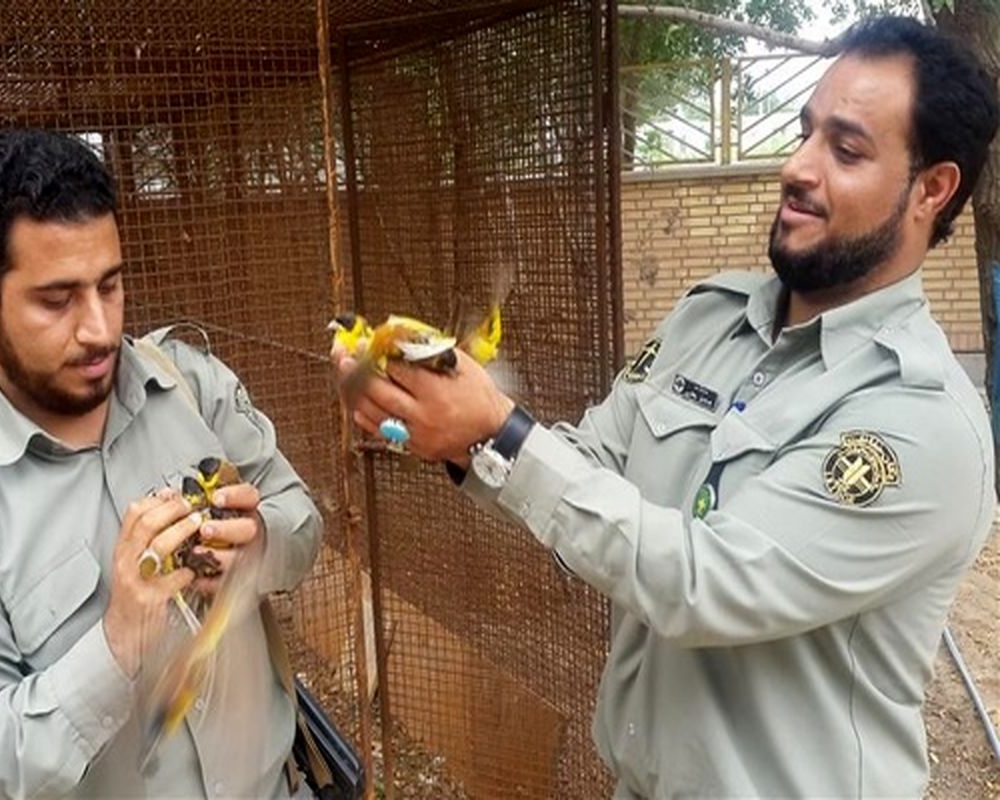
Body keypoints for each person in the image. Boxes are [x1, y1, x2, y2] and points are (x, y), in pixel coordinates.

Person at [336, 16, 999, 797]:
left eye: (846, 150)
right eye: (805, 132)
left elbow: (706, 583)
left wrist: (500, 432)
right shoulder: (707, 318)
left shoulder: (919, 420)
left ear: (932, 189)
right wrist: (453, 433)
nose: (797, 167)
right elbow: (587, 468)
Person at [0, 128, 322, 798]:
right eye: (57, 300)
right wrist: (114, 648)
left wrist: (259, 544)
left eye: (110, 286)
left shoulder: (192, 387)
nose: (98, 328)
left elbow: (302, 521)